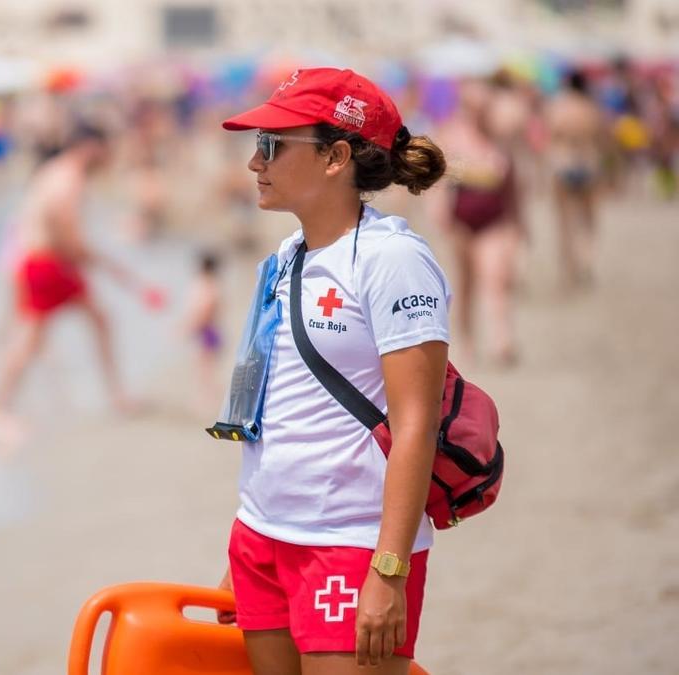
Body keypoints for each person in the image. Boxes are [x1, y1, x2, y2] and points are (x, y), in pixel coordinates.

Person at [215, 67, 450, 675]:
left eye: (271, 145)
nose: (253, 162)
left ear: (335, 157)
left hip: (351, 542)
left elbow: (416, 426)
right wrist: (249, 535)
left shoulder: (392, 259)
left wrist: (389, 570)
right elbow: (276, 403)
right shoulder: (285, 257)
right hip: (264, 537)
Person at [0, 124, 159, 441]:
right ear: (89, 147)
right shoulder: (70, 180)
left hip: (46, 263)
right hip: (47, 265)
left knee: (99, 321)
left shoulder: (53, 171)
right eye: (105, 148)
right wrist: (118, 271)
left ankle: (117, 396)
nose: (108, 156)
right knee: (30, 341)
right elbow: (69, 239)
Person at [434, 77, 523, 365]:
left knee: (495, 278)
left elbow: (512, 184)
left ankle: (502, 339)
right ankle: (468, 342)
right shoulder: (451, 135)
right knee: (466, 285)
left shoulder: (500, 136)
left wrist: (518, 224)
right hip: (461, 220)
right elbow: (442, 180)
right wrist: (441, 213)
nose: (479, 111)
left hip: (494, 220)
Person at [545, 70, 607, 290]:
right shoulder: (591, 108)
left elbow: (551, 135)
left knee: (565, 222)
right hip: (588, 164)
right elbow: (602, 139)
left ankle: (569, 269)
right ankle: (587, 260)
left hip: (564, 165)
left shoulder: (559, 108)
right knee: (589, 221)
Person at [184, 250, 223, 412]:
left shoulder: (207, 286)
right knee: (206, 366)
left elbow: (204, 310)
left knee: (205, 367)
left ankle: (207, 399)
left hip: (207, 331)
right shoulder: (212, 284)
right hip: (209, 330)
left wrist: (188, 327)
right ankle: (207, 397)